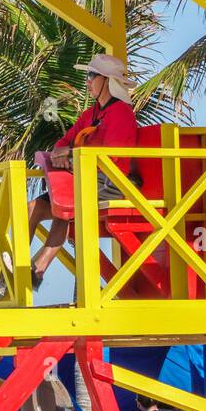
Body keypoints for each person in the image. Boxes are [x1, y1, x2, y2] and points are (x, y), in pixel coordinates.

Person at [28, 53, 140, 288]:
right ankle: (20, 269)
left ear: (107, 80)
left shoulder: (121, 113)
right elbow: (61, 144)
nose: (87, 81)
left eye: (91, 75)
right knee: (34, 208)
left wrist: (69, 156)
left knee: (64, 209)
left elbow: (111, 156)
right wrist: (64, 155)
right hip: (86, 180)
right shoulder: (91, 114)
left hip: (112, 183)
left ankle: (36, 270)